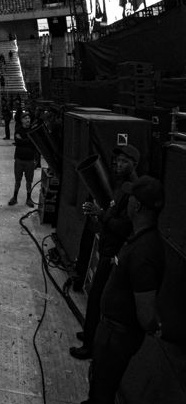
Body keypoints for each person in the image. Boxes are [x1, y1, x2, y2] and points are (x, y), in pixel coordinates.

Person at [48, 177, 164, 404]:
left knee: (103, 390)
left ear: (137, 205)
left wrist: (154, 327)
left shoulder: (146, 251)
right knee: (97, 379)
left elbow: (146, 311)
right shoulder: (139, 240)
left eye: (131, 200)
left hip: (119, 335)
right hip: (110, 329)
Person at [72, 144, 139, 360]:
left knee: (98, 300)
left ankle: (90, 346)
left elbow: (126, 227)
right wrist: (98, 214)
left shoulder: (133, 190)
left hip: (114, 254)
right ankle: (90, 333)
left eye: (124, 162)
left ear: (134, 164)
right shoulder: (121, 186)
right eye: (117, 161)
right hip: (108, 247)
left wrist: (102, 214)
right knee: (95, 297)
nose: (118, 165)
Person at [8, 113, 39, 207]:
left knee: (29, 181)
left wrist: (23, 140)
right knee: (18, 180)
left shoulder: (33, 130)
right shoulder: (18, 130)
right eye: (25, 118)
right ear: (21, 120)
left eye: (29, 118)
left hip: (30, 160)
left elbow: (34, 143)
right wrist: (29, 140)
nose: (28, 120)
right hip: (19, 160)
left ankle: (28, 199)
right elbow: (18, 142)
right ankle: (14, 197)